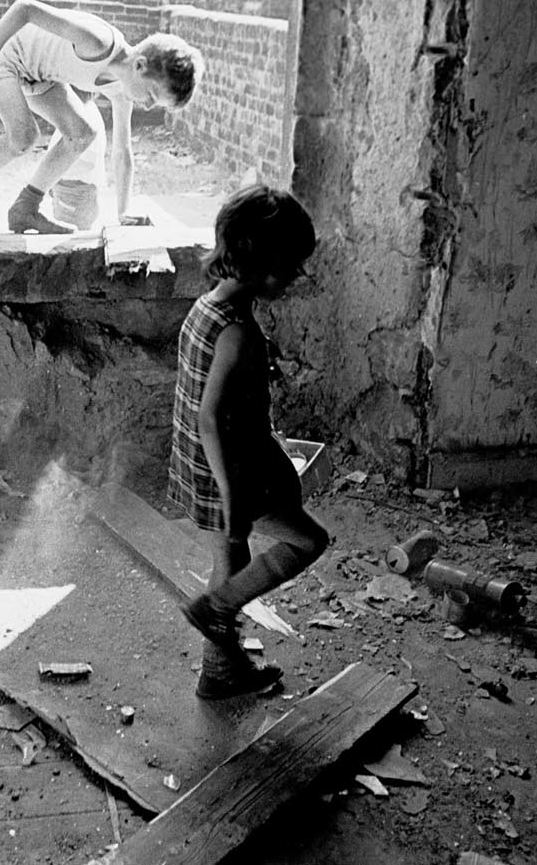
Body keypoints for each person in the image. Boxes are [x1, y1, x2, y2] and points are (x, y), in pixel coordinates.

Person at [168, 186, 331, 699]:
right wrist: (235, 500)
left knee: (230, 562)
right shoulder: (237, 333)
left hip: (203, 463)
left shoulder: (203, 309)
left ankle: (219, 672)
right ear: (258, 261)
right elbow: (212, 418)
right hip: (231, 472)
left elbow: (213, 409)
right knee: (308, 541)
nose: (297, 277)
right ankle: (216, 609)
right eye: (290, 266)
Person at [0, 0, 204, 235]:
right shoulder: (97, 42)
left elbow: (123, 151)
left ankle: (25, 209)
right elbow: (25, 9)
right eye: (150, 95)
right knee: (24, 136)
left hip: (38, 74)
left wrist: (123, 212)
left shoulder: (121, 89)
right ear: (139, 66)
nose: (147, 106)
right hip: (2, 53)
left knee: (83, 133)